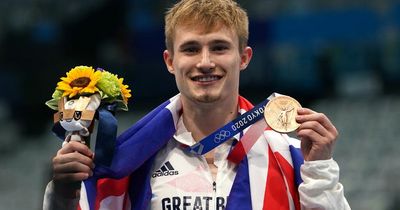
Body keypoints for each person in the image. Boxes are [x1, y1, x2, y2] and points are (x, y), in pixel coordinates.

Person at [43, 0, 351, 209]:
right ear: (170, 61)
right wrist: (63, 192)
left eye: (219, 47)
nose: (205, 62)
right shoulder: (131, 161)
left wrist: (320, 169)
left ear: (244, 58)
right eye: (191, 49)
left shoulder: (289, 154)